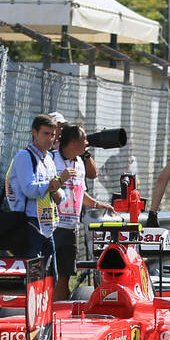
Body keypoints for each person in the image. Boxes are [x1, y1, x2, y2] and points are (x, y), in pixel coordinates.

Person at [51, 123, 117, 300]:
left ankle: (60, 313)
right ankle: (52, 314)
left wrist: (97, 204)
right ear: (73, 142)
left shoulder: (80, 162)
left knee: (65, 275)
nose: (87, 142)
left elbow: (79, 191)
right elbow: (45, 187)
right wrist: (59, 178)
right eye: (84, 139)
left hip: (71, 226)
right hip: (52, 225)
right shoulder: (50, 159)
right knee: (54, 275)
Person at [6, 113, 67, 271]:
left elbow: (59, 196)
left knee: (51, 276)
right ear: (34, 133)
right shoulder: (24, 156)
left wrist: (58, 187)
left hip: (47, 224)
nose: (50, 138)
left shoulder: (49, 159)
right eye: (45, 134)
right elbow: (29, 189)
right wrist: (58, 182)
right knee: (32, 276)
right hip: (28, 223)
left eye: (53, 135)